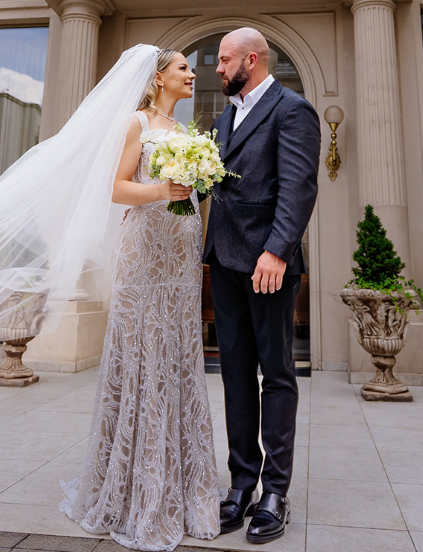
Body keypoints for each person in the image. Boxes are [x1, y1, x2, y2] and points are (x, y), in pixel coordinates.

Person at [51, 49, 219, 550]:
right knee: (142, 354)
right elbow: (119, 189)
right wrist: (163, 191)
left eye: (191, 68)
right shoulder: (137, 123)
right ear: (158, 77)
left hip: (180, 254)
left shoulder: (186, 132)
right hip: (144, 252)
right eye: (183, 68)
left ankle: (181, 485)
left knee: (177, 356)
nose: (192, 74)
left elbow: (192, 194)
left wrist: (194, 189)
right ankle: (133, 485)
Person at [202, 28, 320, 544]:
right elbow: (212, 183)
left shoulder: (292, 110)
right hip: (224, 261)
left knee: (276, 374)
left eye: (224, 60)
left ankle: (275, 492)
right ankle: (241, 483)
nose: (218, 68)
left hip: (267, 264)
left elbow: (299, 187)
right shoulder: (223, 118)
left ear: (251, 60)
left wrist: (277, 250)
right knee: (234, 374)